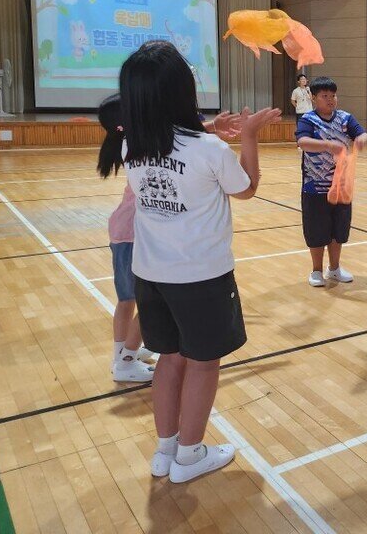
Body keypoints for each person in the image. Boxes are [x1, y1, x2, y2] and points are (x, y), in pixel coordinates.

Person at [119, 40, 280, 482]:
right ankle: (190, 456)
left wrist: (210, 127)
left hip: (151, 275)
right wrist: (247, 136)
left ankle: (165, 451)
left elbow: (173, 142)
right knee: (204, 363)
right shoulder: (207, 151)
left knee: (168, 360)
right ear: (181, 92)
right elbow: (246, 188)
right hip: (201, 277)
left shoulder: (131, 145)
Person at [97, 94, 155, 384]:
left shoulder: (128, 143)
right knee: (150, 301)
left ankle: (121, 355)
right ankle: (127, 361)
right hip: (132, 232)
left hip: (123, 230)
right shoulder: (136, 145)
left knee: (127, 299)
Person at [296, 76, 367, 287]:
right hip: (314, 188)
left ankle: (334, 268)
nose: (330, 100)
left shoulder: (345, 118)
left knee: (338, 230)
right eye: (325, 96)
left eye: (333, 96)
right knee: (316, 231)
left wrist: (362, 139)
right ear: (314, 98)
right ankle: (316, 270)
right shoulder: (308, 120)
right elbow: (302, 142)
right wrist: (328, 145)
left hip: (341, 188)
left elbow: (361, 133)